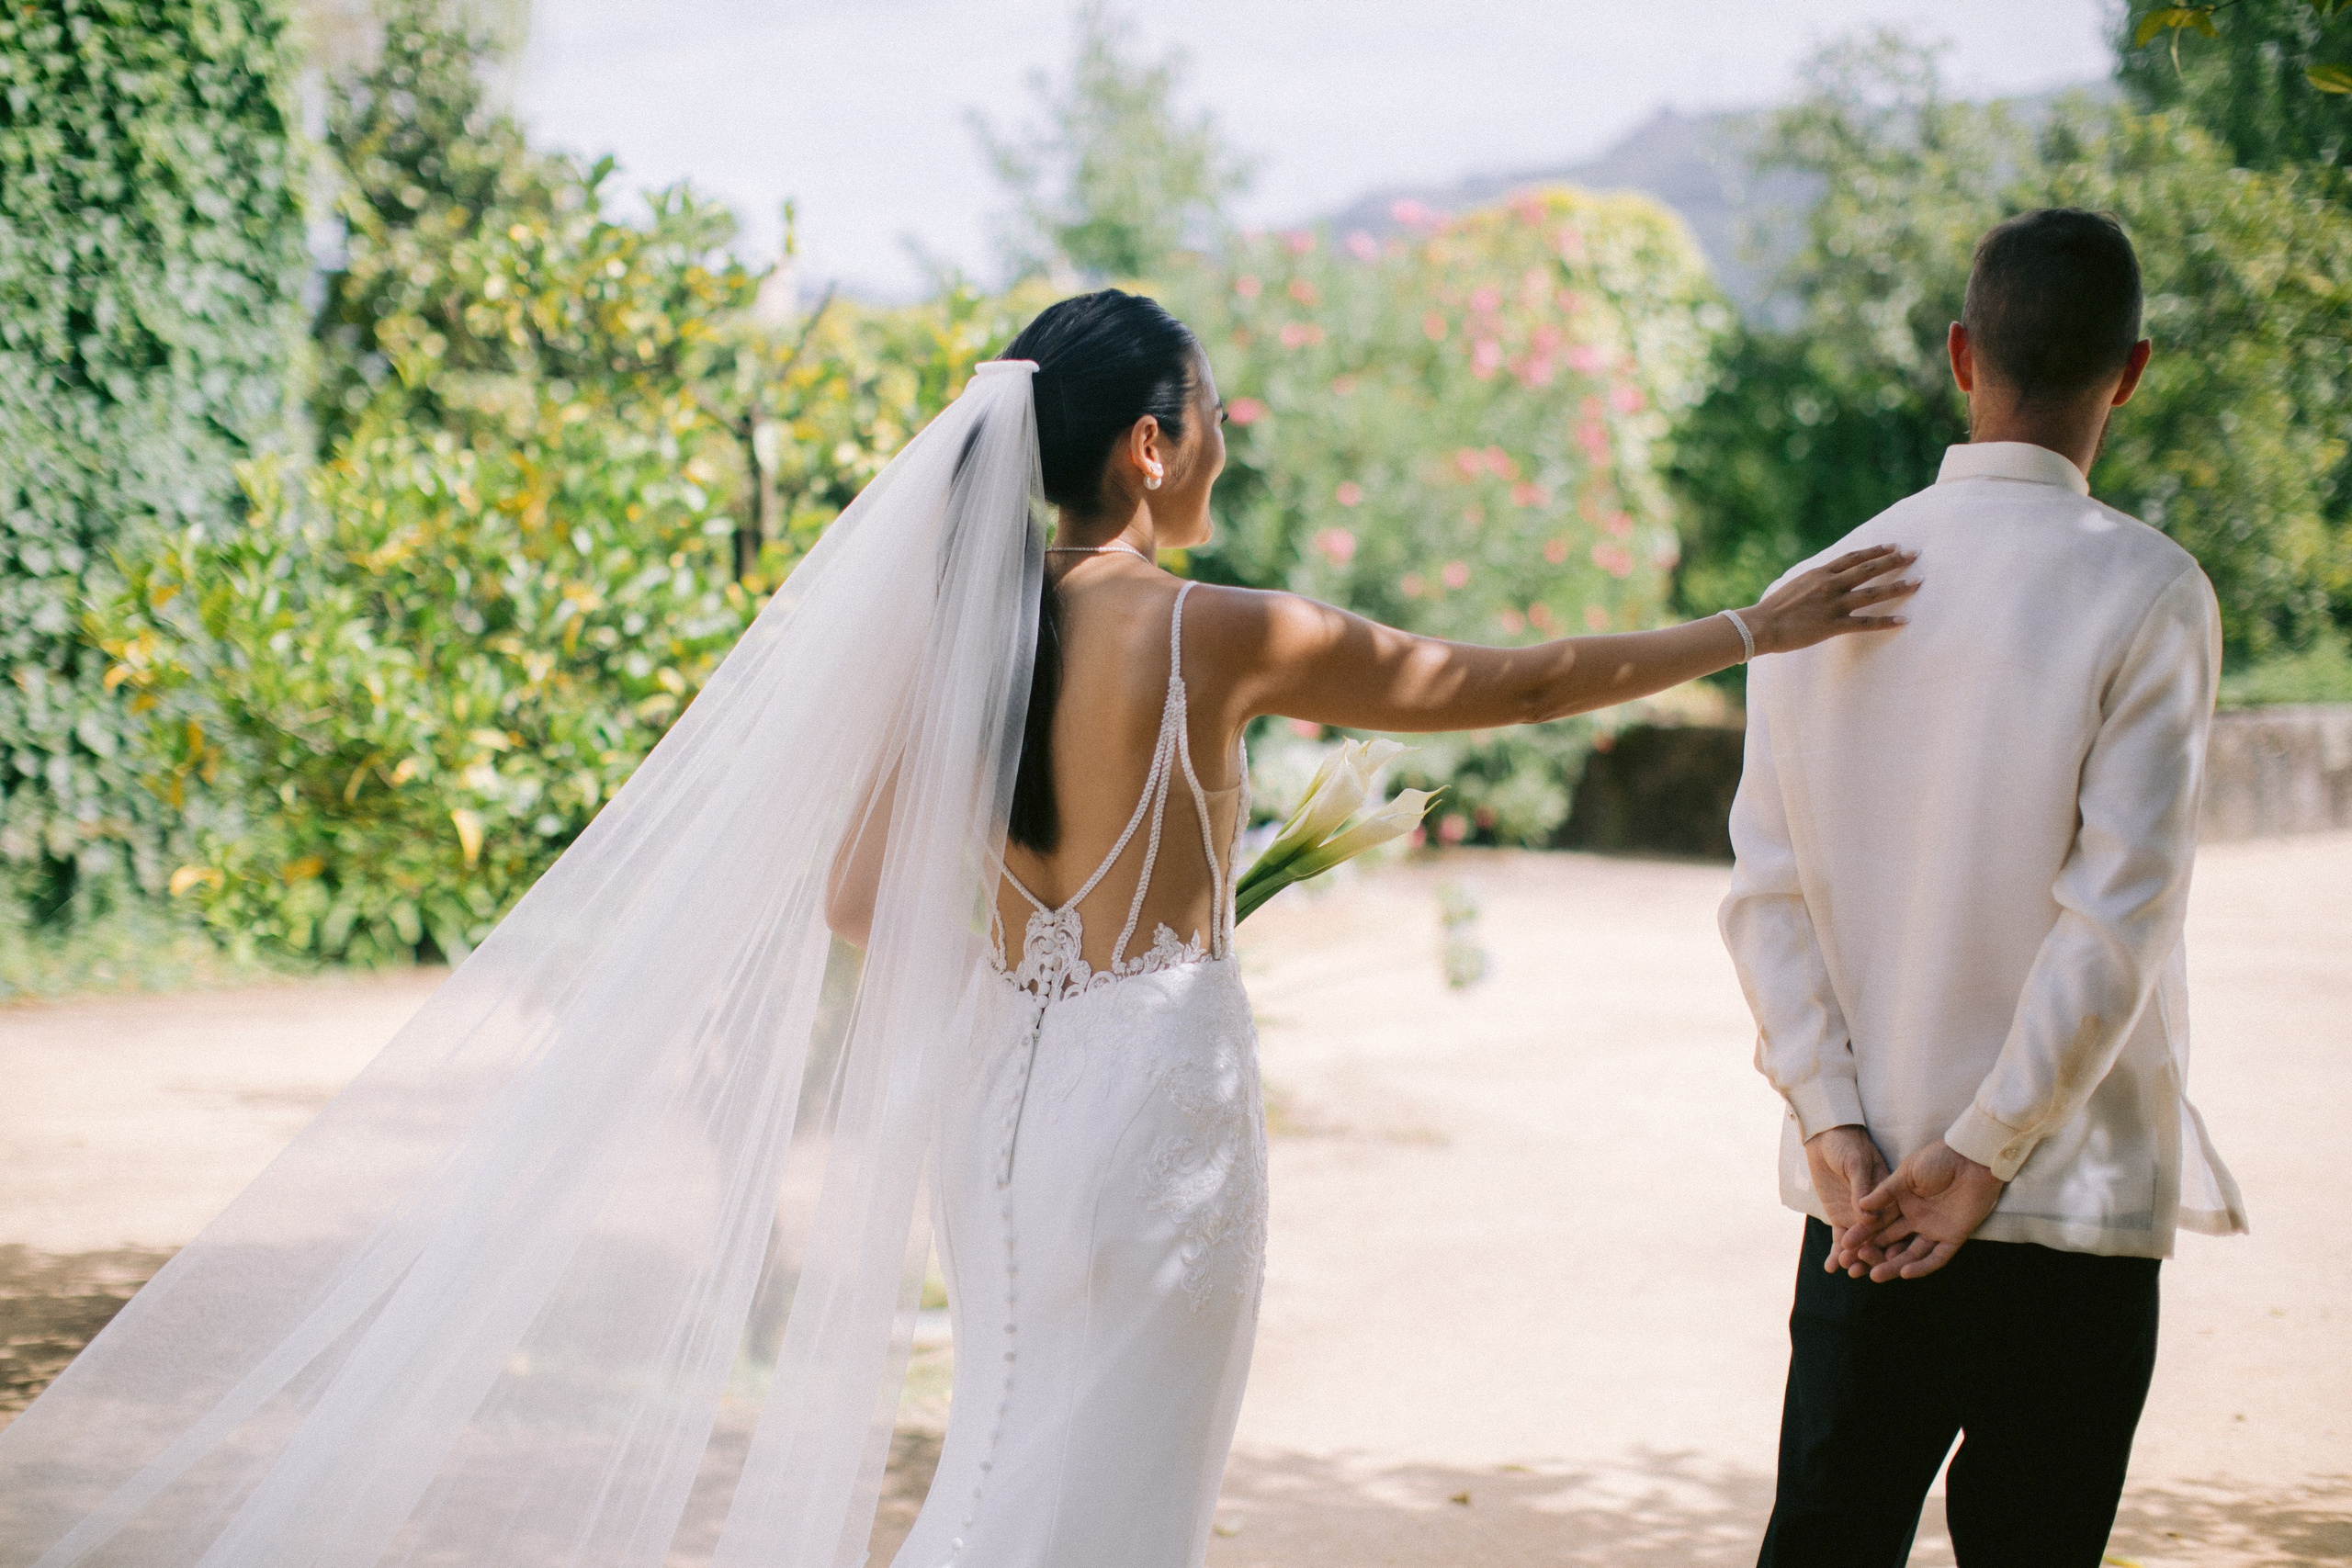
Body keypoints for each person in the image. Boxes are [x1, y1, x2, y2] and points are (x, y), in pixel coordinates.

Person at [0, 289, 1908, 1568]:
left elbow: (850, 896)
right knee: (1115, 1484)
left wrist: (1044, 920)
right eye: (1209, 419)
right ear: (1148, 447)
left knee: (1001, 1447)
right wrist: (1754, 625)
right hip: (1151, 1099)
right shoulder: (1204, 629)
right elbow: (1497, 679)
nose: (1221, 443)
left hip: (995, 1089)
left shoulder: (949, 644)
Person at [1719, 209, 2250, 1568]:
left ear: (1963, 353)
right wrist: (1988, 1152)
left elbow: (1767, 898)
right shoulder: (2149, 592)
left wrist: (1837, 1127)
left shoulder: (1809, 592)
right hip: (2063, 1199)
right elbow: (2116, 918)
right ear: (2129, 372)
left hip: (1866, 1203)